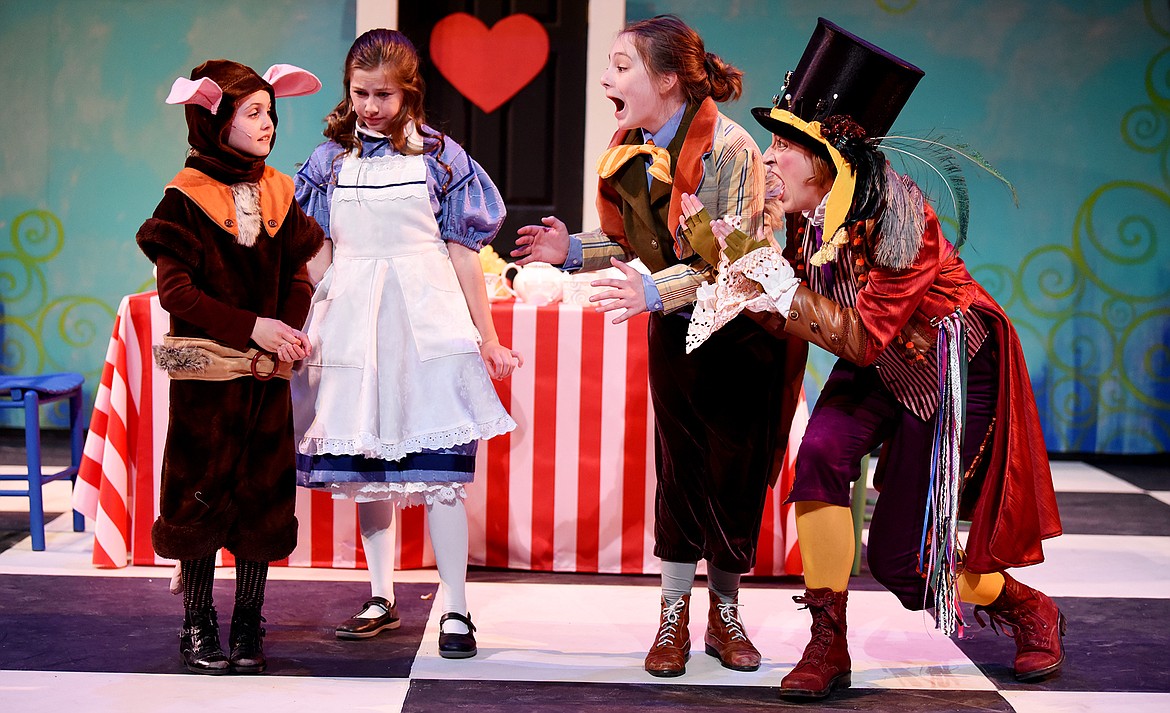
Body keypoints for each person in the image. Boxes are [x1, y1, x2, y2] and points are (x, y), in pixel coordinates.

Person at [683, 18, 1065, 700]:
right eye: (770, 142)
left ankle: (1026, 605)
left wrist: (765, 275)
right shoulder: (802, 216)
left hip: (946, 366)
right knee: (821, 457)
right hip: (876, 358)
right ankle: (827, 641)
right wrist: (735, 270)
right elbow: (802, 314)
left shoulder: (899, 217)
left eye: (784, 146)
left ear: (830, 155)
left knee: (902, 561)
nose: (768, 160)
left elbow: (857, 336)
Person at [513, 14, 807, 677]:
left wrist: (652, 291)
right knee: (679, 467)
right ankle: (674, 608)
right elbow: (640, 241)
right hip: (677, 329)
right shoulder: (631, 146)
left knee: (734, 472)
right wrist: (574, 251)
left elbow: (729, 256)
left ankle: (724, 610)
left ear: (667, 79)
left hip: (742, 335)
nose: (606, 77)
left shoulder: (728, 148)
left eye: (621, 65)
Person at [292, 28, 521, 660]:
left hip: (427, 314)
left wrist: (488, 338)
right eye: (360, 93)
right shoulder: (326, 162)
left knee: (442, 470)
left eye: (382, 95)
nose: (369, 106)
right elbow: (318, 248)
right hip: (355, 317)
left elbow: (464, 255)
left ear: (409, 93)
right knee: (368, 466)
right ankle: (380, 592)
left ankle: (455, 606)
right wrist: (325, 307)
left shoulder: (444, 159)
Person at [138, 59, 325, 675]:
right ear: (215, 118)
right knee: (199, 497)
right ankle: (197, 623)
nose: (267, 124)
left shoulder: (278, 191)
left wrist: (287, 329)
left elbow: (297, 273)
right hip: (209, 384)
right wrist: (251, 326)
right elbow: (177, 294)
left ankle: (248, 619)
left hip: (265, 379)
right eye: (253, 113)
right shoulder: (185, 198)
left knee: (262, 499)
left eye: (271, 112)